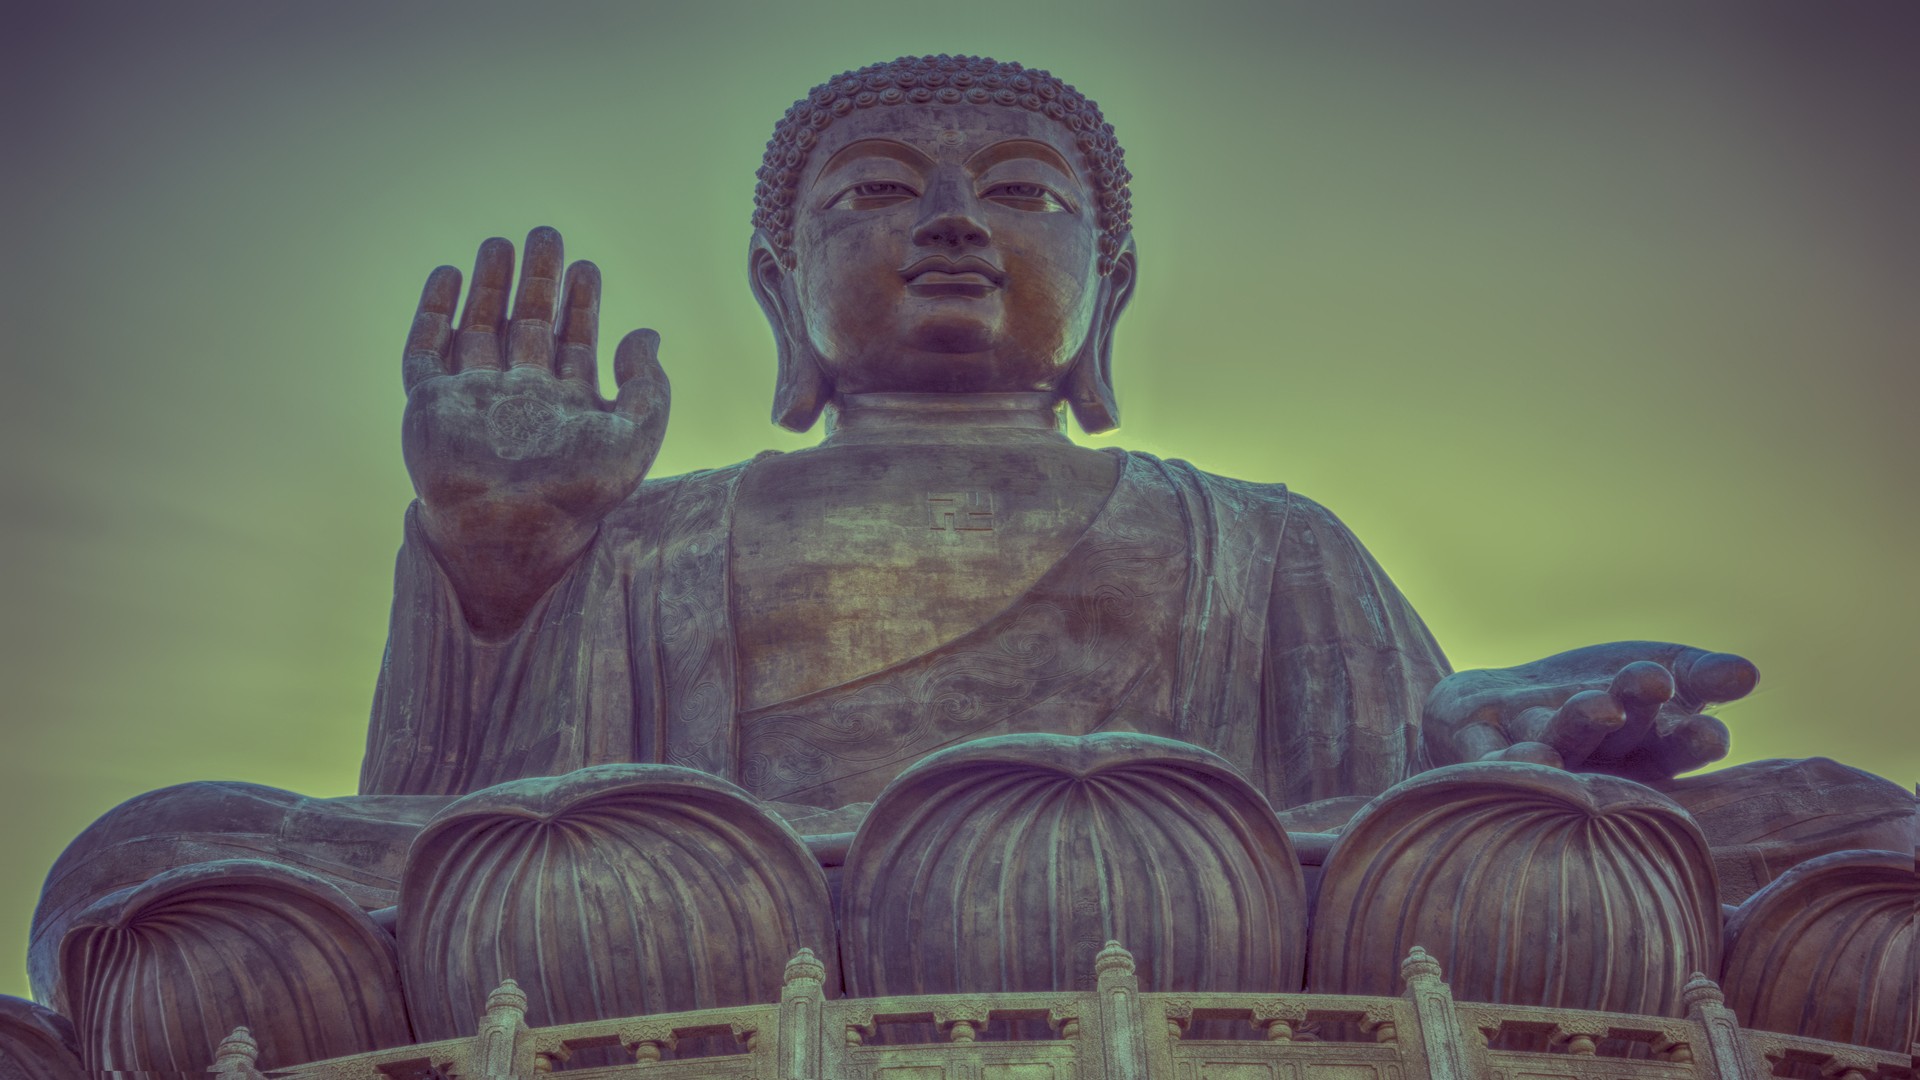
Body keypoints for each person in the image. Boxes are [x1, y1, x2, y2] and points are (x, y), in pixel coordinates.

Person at [26, 55, 1911, 1072]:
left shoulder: (1257, 534)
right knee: (150, 859)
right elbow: (460, 836)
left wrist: (1487, 753)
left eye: (1021, 192)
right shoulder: (669, 536)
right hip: (706, 911)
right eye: (873, 196)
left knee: (1863, 827)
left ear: (1111, 288)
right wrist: (492, 561)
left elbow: (1384, 809)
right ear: (779, 292)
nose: (945, 223)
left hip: (1234, 894)